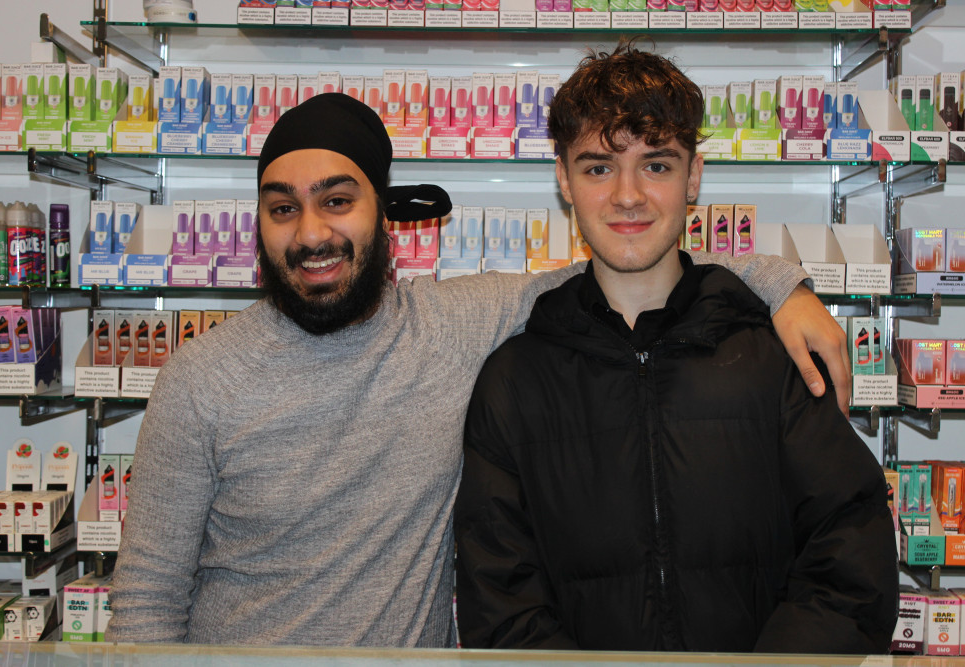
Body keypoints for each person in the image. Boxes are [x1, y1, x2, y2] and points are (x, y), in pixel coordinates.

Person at [106, 92, 850, 647]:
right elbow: (145, 604)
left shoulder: (455, 329)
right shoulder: (200, 380)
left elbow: (627, 259)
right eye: (282, 209)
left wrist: (779, 284)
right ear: (258, 223)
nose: (312, 234)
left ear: (382, 212)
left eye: (338, 201)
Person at [453, 44, 898, 654]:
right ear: (563, 178)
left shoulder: (771, 357)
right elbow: (499, 602)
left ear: (694, 177)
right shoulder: (514, 380)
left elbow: (851, 551)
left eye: (656, 166)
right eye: (598, 167)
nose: (629, 196)